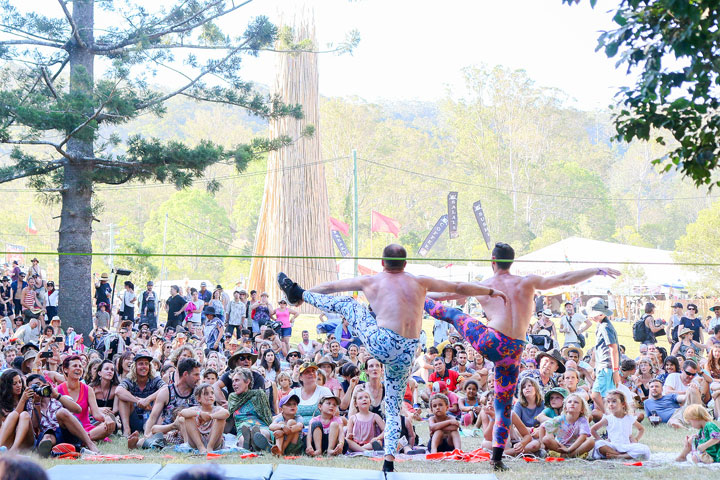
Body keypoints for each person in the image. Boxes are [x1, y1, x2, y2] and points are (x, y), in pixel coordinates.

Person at [277, 243, 506, 472]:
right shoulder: (419, 281)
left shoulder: (373, 280)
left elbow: (332, 286)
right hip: (408, 352)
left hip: (383, 342)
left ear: (382, 263)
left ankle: (298, 293)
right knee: (394, 406)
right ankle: (388, 461)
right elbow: (456, 286)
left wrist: (303, 296)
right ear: (405, 264)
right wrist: (488, 290)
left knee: (348, 304)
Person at [422, 242, 619, 470]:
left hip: (491, 341)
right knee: (503, 406)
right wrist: (596, 270)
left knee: (454, 314)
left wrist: (420, 293)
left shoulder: (485, 284)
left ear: (493, 261)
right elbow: (564, 278)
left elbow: (448, 293)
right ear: (511, 261)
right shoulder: (528, 282)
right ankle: (496, 457)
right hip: (514, 350)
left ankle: (419, 302)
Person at [585, 297, 621, 420]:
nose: (592, 317)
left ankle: (614, 419)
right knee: (595, 395)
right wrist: (596, 368)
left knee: (607, 398)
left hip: (608, 367)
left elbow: (613, 348)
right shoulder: (600, 325)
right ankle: (611, 418)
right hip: (602, 367)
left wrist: (615, 371)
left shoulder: (606, 327)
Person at [115, 352, 166, 437]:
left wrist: (148, 400)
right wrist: (138, 401)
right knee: (123, 399)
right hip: (134, 419)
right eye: (141, 364)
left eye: (146, 364)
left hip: (152, 418)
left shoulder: (155, 380)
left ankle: (155, 432)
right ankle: (127, 431)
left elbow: (165, 388)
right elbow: (118, 391)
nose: (144, 367)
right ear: (135, 367)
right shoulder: (130, 380)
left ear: (149, 367)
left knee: (163, 397)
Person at [590, 389, 650, 460]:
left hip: (627, 446)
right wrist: (600, 439)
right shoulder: (608, 418)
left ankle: (619, 456)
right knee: (598, 444)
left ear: (623, 404)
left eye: (614, 401)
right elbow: (592, 429)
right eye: (608, 402)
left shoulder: (629, 418)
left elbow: (641, 429)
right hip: (612, 446)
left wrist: (636, 439)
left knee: (645, 449)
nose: (610, 404)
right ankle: (622, 455)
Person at [227, 367, 273, 452]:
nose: (234, 384)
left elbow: (266, 415)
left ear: (247, 382)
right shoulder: (232, 398)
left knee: (262, 433)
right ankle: (251, 444)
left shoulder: (258, 395)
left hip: (259, 424)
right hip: (242, 426)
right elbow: (229, 419)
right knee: (243, 439)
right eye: (233, 381)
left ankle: (256, 443)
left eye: (237, 380)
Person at [539, 393, 594, 458]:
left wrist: (569, 450)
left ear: (582, 410)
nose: (572, 403)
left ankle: (568, 455)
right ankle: (566, 454)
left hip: (575, 446)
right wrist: (544, 444)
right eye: (569, 402)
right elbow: (543, 426)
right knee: (546, 439)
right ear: (565, 408)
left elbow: (583, 437)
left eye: (576, 402)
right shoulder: (560, 419)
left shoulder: (582, 421)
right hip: (560, 446)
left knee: (591, 441)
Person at [179, 383, 229, 454]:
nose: (210, 395)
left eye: (212, 393)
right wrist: (200, 414)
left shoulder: (217, 409)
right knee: (188, 417)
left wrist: (210, 417)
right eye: (206, 394)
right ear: (199, 399)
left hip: (213, 441)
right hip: (196, 441)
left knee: (221, 418)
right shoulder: (196, 409)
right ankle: (201, 447)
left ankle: (210, 447)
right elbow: (183, 412)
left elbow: (226, 413)